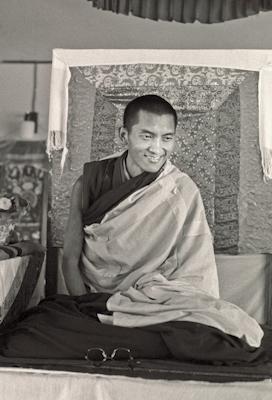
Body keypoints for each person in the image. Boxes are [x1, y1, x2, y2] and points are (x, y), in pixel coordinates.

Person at [0, 95, 266, 364]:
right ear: (124, 135)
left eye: (167, 138)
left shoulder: (180, 190)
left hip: (157, 303)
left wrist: (126, 309)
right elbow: (70, 259)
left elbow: (195, 274)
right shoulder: (89, 184)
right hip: (96, 301)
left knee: (211, 336)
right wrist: (89, 309)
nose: (157, 148)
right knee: (26, 337)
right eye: (147, 136)